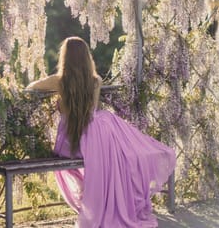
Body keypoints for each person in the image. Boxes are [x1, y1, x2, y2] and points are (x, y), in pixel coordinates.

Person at [26, 36, 176, 227]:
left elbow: (31, 87)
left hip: (71, 140)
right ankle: (106, 201)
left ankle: (89, 199)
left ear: (65, 57)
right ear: (87, 58)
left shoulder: (59, 81)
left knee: (95, 157)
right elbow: (93, 110)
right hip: (96, 133)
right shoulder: (95, 80)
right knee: (120, 152)